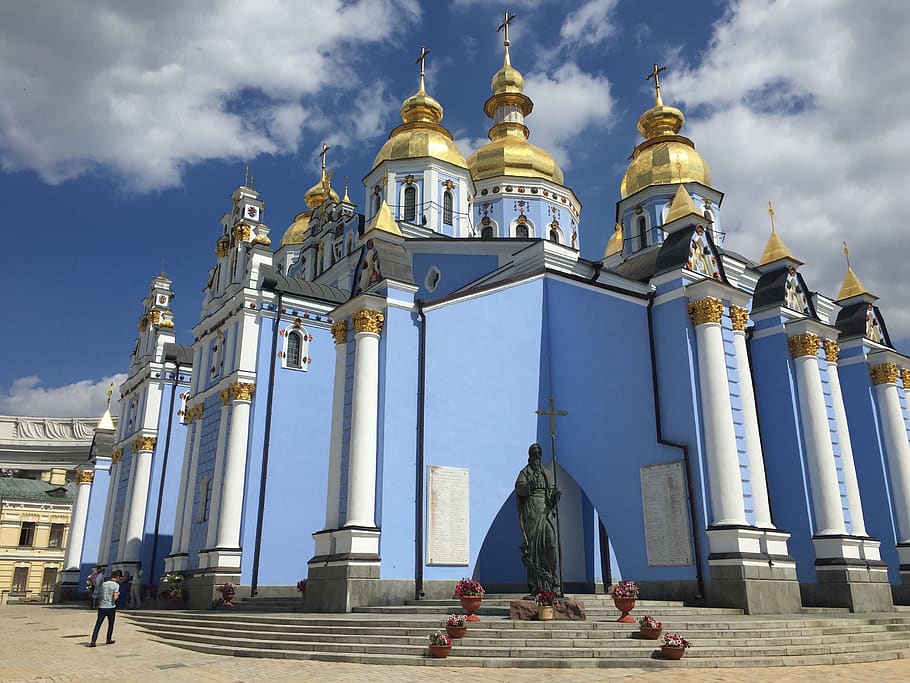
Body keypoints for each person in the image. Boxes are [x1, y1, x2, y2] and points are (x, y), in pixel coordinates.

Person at [514, 443, 561, 597]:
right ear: (530, 456)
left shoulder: (547, 473)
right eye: (534, 454)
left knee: (550, 543)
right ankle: (536, 586)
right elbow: (519, 489)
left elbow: (552, 489)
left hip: (545, 512)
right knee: (534, 548)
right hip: (532, 512)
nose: (537, 457)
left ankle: (552, 584)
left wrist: (555, 495)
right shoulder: (525, 472)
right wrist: (529, 485)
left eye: (539, 454)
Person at [90, 570, 122, 647]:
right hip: (111, 607)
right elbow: (115, 598)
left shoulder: (104, 584)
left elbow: (101, 595)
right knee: (110, 624)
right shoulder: (116, 585)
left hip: (102, 606)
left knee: (98, 624)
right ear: (117, 577)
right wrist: (118, 594)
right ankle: (108, 639)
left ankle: (93, 640)